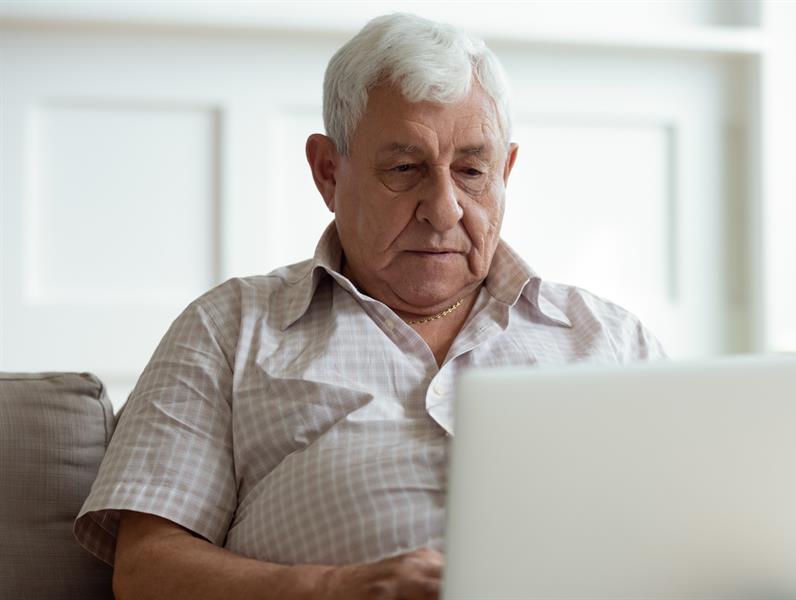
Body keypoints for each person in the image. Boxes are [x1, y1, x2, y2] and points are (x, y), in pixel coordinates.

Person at [74, 12, 665, 600]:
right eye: (405, 169)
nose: (444, 208)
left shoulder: (609, 339)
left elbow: (700, 532)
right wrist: (339, 588)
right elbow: (147, 569)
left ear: (506, 171)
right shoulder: (229, 326)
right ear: (328, 172)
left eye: (471, 171)